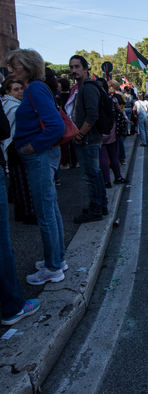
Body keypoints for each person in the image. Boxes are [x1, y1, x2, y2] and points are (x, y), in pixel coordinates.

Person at [6, 48, 67, 285]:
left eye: (15, 66)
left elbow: (55, 127)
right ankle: (57, 260)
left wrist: (32, 147)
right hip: (42, 155)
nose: (10, 70)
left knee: (45, 212)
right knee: (50, 209)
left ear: (29, 67)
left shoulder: (35, 88)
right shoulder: (36, 88)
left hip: (40, 155)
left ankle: (53, 267)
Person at [0, 101, 40, 325]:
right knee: (2, 243)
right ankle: (13, 305)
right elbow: (4, 129)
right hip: (13, 154)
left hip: (14, 155)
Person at [69, 54, 108, 222]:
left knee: (90, 175)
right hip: (88, 138)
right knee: (95, 174)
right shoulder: (83, 86)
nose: (73, 70)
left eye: (77, 67)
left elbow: (92, 115)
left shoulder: (88, 87)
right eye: (71, 67)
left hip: (88, 139)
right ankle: (101, 205)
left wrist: (79, 135)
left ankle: (96, 209)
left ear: (86, 69)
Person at [1, 77, 36, 224]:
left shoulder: (10, 103)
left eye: (21, 88)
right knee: (23, 181)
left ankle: (20, 212)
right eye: (16, 89)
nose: (20, 91)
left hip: (13, 145)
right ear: (8, 91)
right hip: (15, 146)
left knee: (17, 182)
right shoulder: (12, 106)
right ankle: (28, 213)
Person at [97, 78, 128, 188]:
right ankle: (118, 177)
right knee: (114, 155)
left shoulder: (95, 99)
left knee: (103, 157)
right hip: (111, 130)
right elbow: (120, 113)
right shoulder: (113, 99)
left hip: (99, 131)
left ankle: (106, 181)